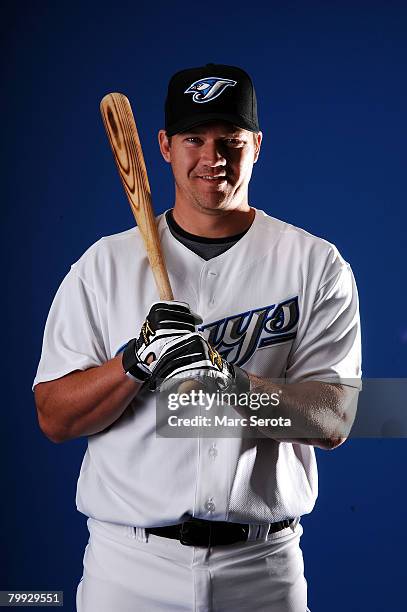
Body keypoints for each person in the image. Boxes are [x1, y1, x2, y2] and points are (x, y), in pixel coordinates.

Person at [33, 63, 361, 612]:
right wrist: (134, 365)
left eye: (231, 141)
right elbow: (53, 418)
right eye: (195, 139)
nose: (214, 158)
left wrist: (231, 383)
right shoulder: (103, 266)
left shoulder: (314, 264)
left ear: (257, 145)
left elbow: (336, 422)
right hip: (128, 568)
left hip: (263, 569)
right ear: (163, 146)